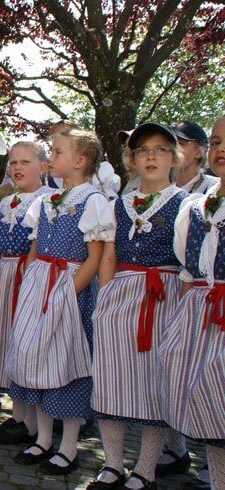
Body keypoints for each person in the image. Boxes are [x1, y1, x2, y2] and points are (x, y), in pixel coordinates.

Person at [5, 128, 112, 475]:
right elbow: (36, 250)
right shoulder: (47, 200)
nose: (51, 157)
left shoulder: (92, 201)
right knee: (35, 357)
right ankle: (43, 439)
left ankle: (68, 447)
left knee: (65, 364)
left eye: (57, 152)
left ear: (79, 161)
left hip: (68, 288)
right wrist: (32, 283)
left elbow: (94, 258)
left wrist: (68, 293)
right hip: (40, 285)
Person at [88, 123, 187, 489]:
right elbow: (109, 255)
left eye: (161, 149)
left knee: (151, 385)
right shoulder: (119, 205)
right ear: (131, 159)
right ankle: (112, 464)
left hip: (162, 296)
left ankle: (145, 468)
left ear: (174, 158)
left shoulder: (185, 204)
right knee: (111, 379)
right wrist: (105, 298)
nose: (150, 156)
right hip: (121, 294)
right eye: (142, 149)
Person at [160, 116, 225, 490]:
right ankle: (213, 476)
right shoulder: (197, 205)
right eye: (216, 142)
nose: (221, 150)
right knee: (199, 391)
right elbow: (190, 267)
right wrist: (183, 318)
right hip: (199, 310)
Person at [0, 142, 50, 444]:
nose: (17, 168)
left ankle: (32, 421)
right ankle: (19, 417)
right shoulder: (6, 202)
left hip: (30, 275)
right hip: (5, 274)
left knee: (26, 344)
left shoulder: (49, 199)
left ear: (43, 168)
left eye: (25, 162)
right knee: (4, 340)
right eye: (13, 162)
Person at [171, 120, 216, 194]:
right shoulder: (158, 191)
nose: (172, 149)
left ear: (198, 152)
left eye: (180, 143)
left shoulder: (215, 188)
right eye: (170, 144)